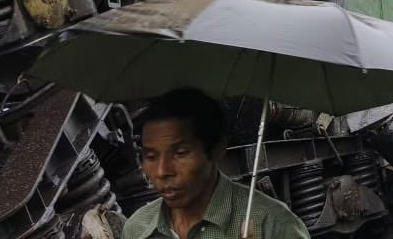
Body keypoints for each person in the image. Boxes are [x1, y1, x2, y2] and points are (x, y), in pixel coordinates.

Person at [123, 88, 310, 239]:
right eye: (151, 156)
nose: (162, 171)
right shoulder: (137, 230)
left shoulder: (273, 226)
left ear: (216, 150)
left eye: (180, 153)